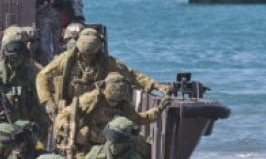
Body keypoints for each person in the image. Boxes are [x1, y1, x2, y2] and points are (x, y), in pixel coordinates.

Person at [35, 27, 171, 123]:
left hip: (99, 110)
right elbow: (42, 76)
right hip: (73, 109)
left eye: (91, 54)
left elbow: (133, 75)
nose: (88, 57)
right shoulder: (66, 60)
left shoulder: (107, 62)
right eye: (84, 54)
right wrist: (48, 102)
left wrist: (157, 86)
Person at [55, 72, 169, 159]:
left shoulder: (123, 103)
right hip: (88, 144)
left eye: (117, 100)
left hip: (114, 142)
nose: (114, 103)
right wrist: (65, 125)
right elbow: (62, 115)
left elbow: (137, 119)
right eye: (112, 100)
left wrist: (158, 110)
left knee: (142, 145)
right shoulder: (89, 100)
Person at [0, 28, 49, 136]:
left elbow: (41, 105)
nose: (15, 59)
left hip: (25, 124)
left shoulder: (34, 71)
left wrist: (40, 128)